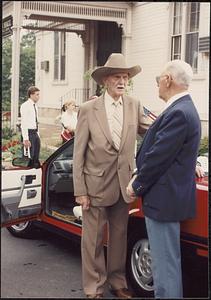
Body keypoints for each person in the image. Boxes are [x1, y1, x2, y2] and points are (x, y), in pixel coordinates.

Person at [73, 53, 151, 299]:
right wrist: (80, 191)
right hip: (94, 186)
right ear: (105, 80)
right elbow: (78, 153)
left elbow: (153, 131)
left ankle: (118, 283)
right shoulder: (88, 109)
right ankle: (94, 288)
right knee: (92, 241)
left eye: (125, 76)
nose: (122, 81)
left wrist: (183, 153)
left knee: (119, 237)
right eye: (117, 76)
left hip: (123, 185)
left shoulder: (134, 104)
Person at [126, 60, 201, 298]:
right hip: (168, 200)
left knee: (164, 267)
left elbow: (158, 156)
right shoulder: (183, 108)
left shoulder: (178, 111)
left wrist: (136, 185)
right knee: (166, 264)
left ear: (168, 79)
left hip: (163, 202)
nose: (157, 83)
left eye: (158, 78)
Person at [20, 86, 41, 168]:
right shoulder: (25, 106)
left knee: (36, 156)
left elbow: (36, 121)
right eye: (37, 95)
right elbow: (24, 123)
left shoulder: (35, 106)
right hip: (29, 133)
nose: (39, 97)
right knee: (30, 157)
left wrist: (38, 135)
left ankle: (35, 174)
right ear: (31, 95)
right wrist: (25, 139)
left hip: (35, 133)